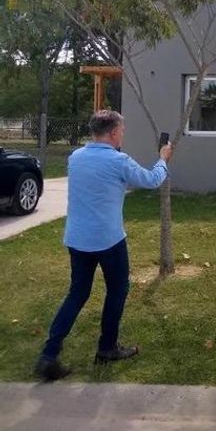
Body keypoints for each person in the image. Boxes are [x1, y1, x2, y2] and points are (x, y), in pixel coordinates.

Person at [34, 110, 172, 381]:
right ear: (113, 132)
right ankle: (107, 347)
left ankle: (49, 354)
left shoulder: (76, 157)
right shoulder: (118, 161)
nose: (123, 134)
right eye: (122, 130)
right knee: (118, 290)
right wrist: (163, 158)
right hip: (109, 241)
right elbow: (152, 180)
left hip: (77, 239)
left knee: (77, 293)